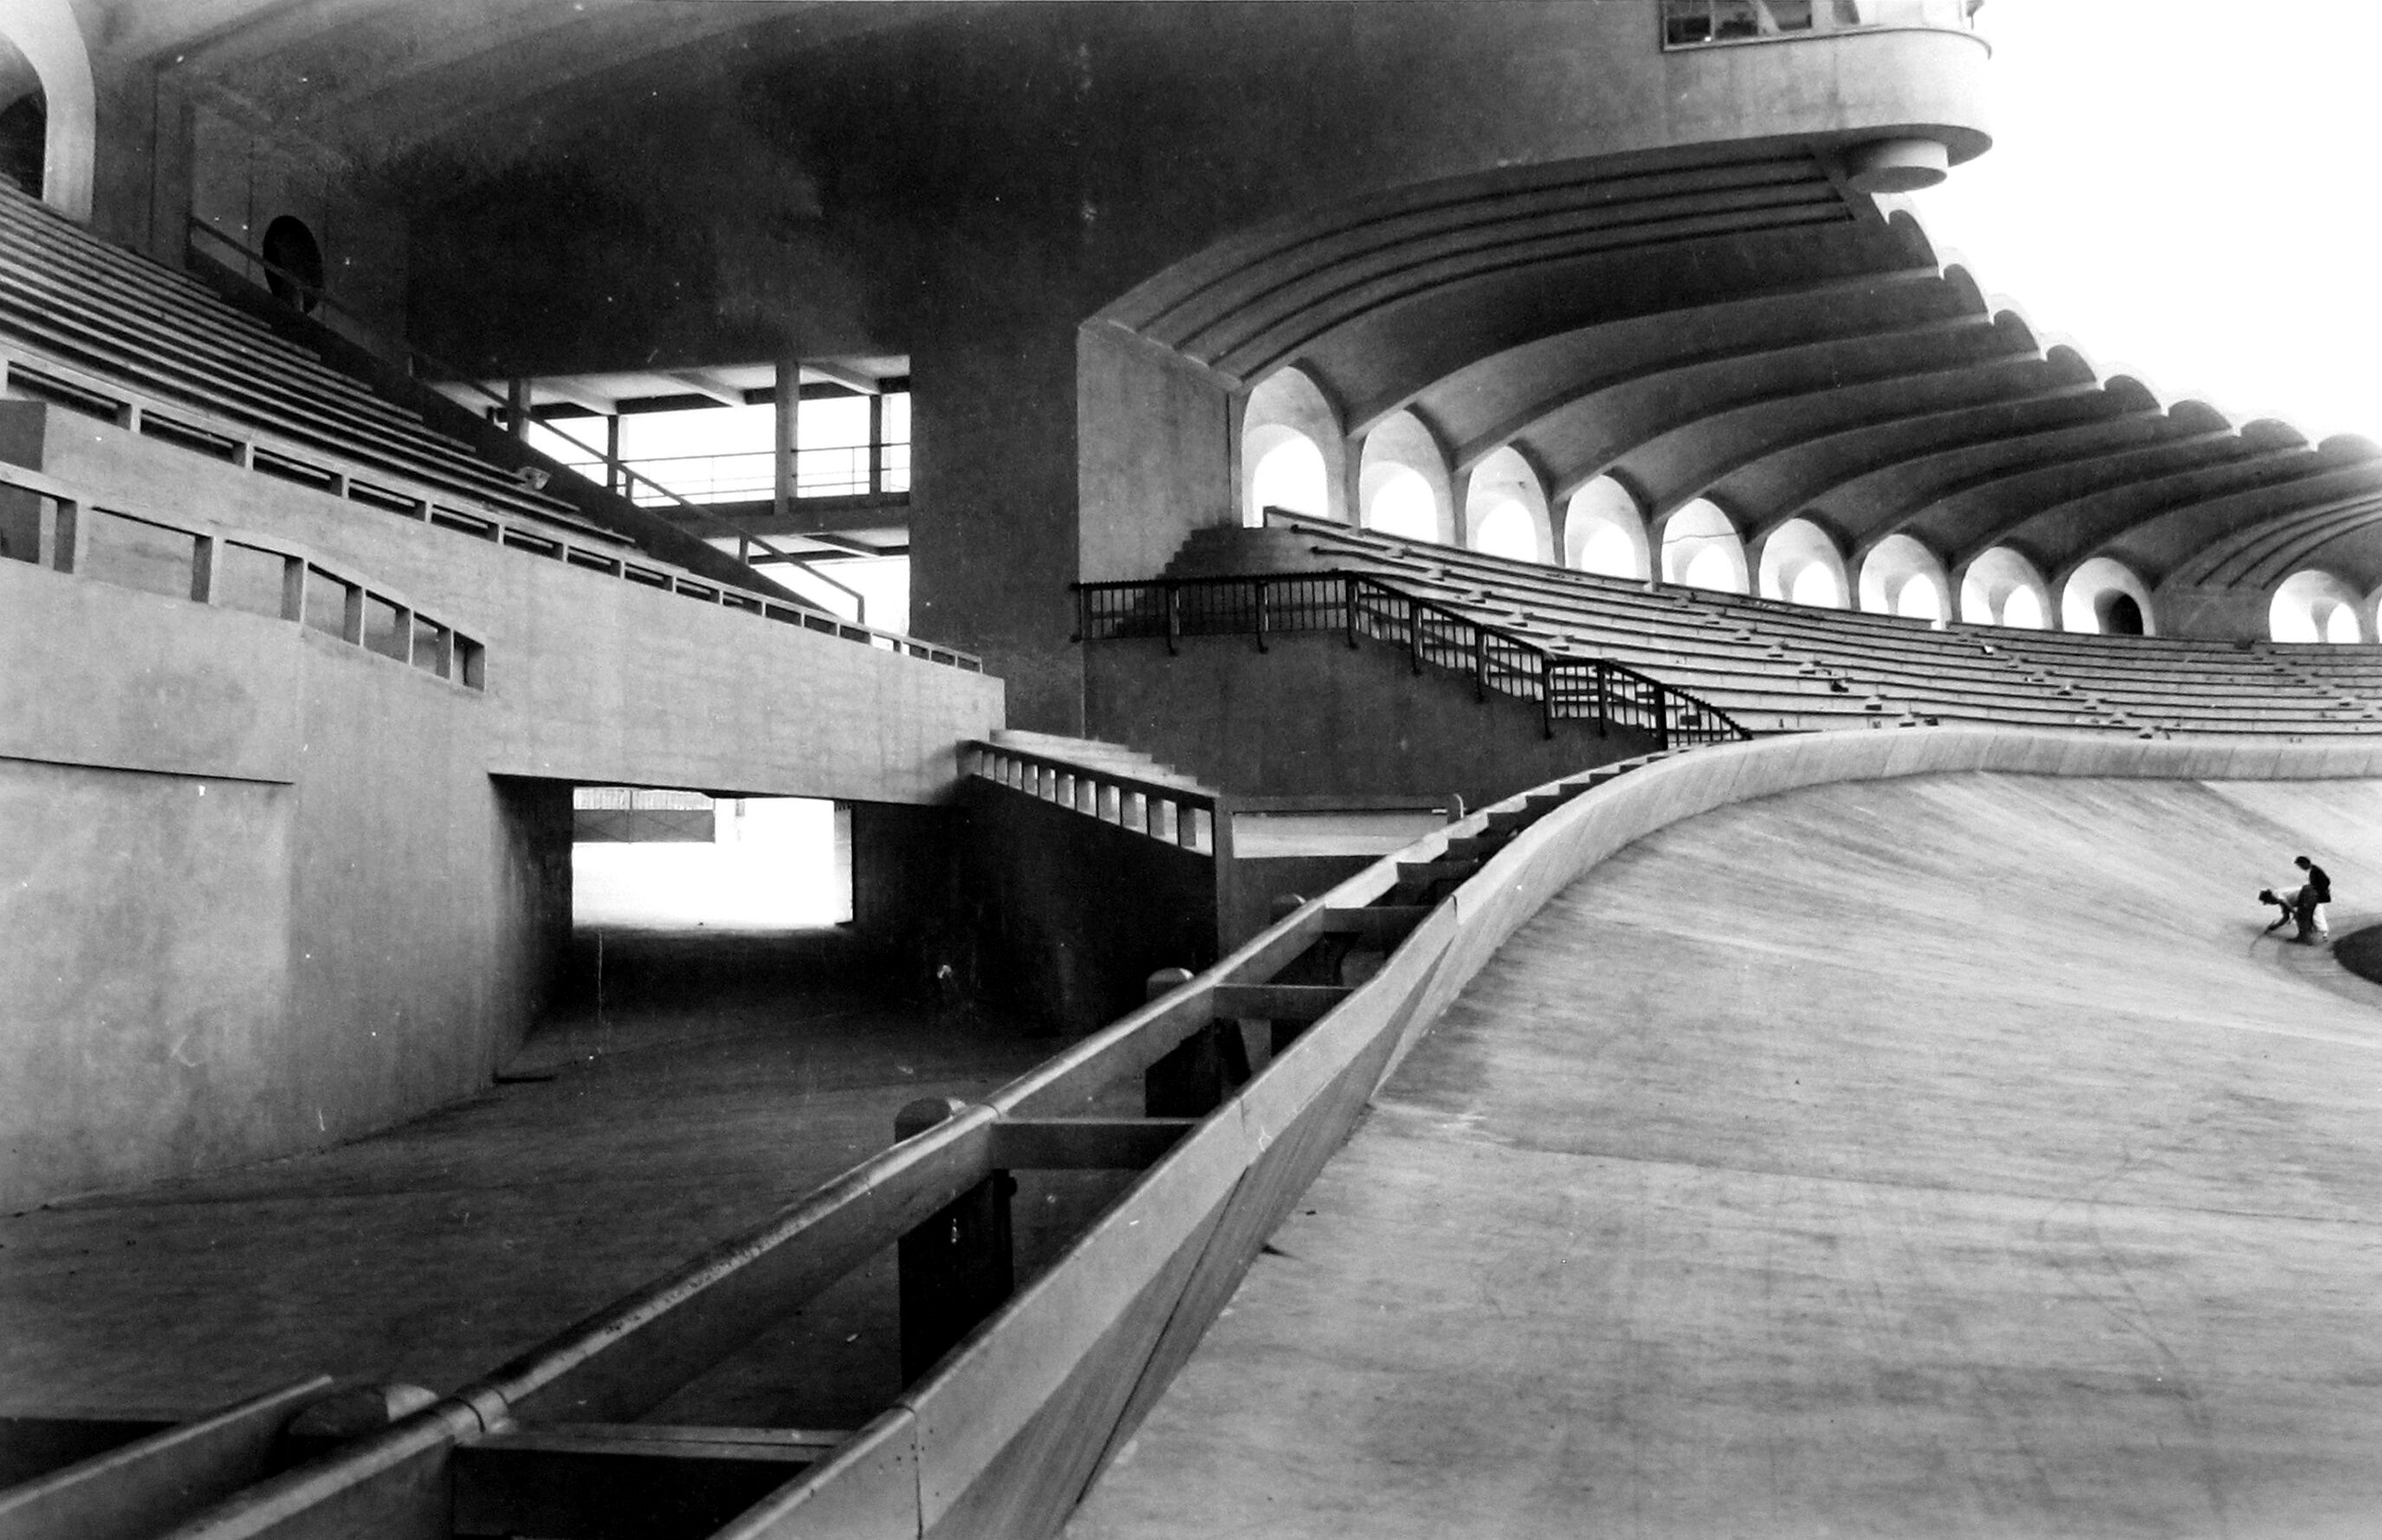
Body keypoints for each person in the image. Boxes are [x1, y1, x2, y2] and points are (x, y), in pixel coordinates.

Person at [2295, 856, 2333, 941]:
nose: (2300, 868)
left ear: (2305, 864)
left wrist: (2316, 889)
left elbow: (2326, 881)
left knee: (2317, 913)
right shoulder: (2313, 870)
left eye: (2300, 865)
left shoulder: (2315, 871)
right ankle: (2320, 933)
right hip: (2315, 896)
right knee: (2315, 914)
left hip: (2317, 896)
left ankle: (2323, 934)